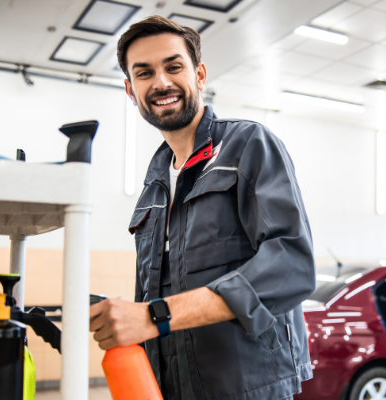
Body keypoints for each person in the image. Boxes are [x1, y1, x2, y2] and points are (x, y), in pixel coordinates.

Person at [88, 15, 316, 400]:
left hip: (247, 389)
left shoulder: (248, 145)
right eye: (144, 74)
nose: (160, 83)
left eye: (173, 67)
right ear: (130, 90)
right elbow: (154, 293)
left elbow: (290, 266)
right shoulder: (155, 184)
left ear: (199, 74)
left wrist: (153, 317)